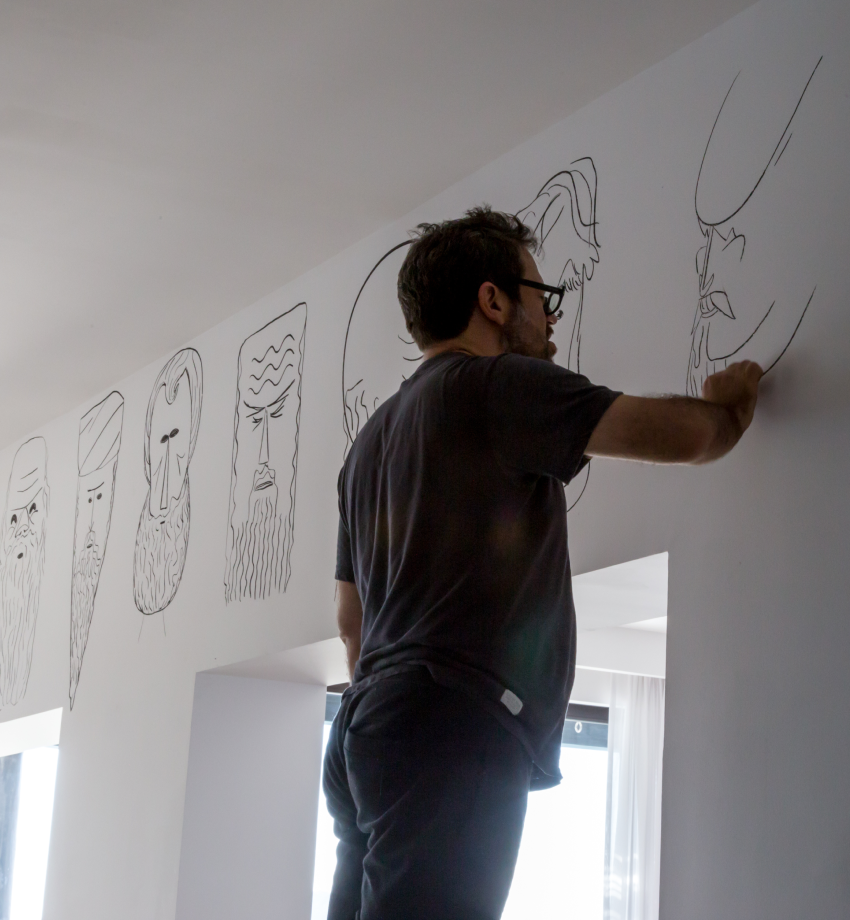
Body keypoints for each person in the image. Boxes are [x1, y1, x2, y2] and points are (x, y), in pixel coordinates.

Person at [324, 206, 763, 920]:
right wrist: (731, 408)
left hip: (362, 737)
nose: (550, 318)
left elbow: (352, 625)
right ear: (492, 301)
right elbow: (686, 437)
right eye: (541, 295)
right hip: (448, 725)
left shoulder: (369, 443)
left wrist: (393, 714)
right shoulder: (497, 386)